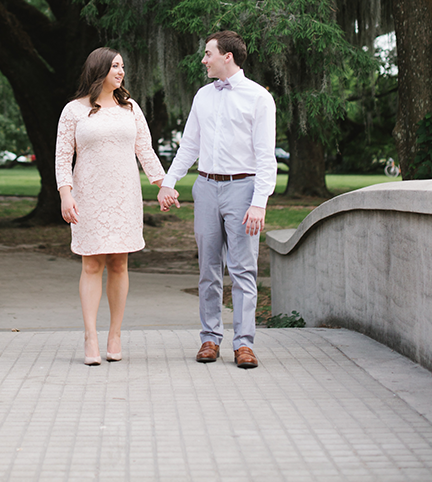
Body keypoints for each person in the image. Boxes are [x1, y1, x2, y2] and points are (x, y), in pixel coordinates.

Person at [158, 30, 277, 368]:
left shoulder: (258, 98)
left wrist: (259, 203)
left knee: (243, 270)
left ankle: (244, 344)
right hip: (206, 187)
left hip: (243, 189)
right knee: (208, 270)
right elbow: (189, 146)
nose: (203, 59)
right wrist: (169, 182)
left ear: (228, 56)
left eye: (208, 53)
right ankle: (209, 339)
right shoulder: (202, 96)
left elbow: (266, 157)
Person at [55, 47, 165, 365]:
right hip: (88, 196)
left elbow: (145, 149)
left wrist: (162, 184)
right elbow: (62, 158)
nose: (121, 71)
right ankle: (90, 336)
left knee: (119, 263)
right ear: (99, 70)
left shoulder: (130, 108)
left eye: (122, 66)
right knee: (91, 264)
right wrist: (66, 194)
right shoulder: (73, 111)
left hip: (124, 196)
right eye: (115, 66)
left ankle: (114, 334)